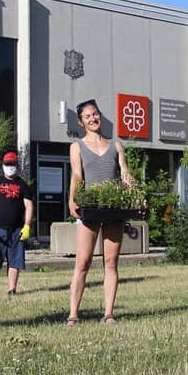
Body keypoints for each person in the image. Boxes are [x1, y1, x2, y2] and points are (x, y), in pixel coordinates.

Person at [67, 99, 134, 325]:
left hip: (114, 208)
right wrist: (72, 199)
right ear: (81, 121)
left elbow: (124, 173)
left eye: (95, 114)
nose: (93, 119)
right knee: (83, 262)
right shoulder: (77, 146)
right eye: (87, 116)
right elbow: (77, 175)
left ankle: (108, 314)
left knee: (111, 262)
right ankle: (73, 314)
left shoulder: (116, 145)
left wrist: (136, 193)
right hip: (90, 209)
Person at [0, 150, 35, 297]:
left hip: (17, 230)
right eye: (7, 164)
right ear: (3, 165)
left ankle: (12, 290)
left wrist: (27, 226)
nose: (10, 166)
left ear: (17, 165)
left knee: (15, 261)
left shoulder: (23, 185)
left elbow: (29, 206)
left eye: (12, 164)